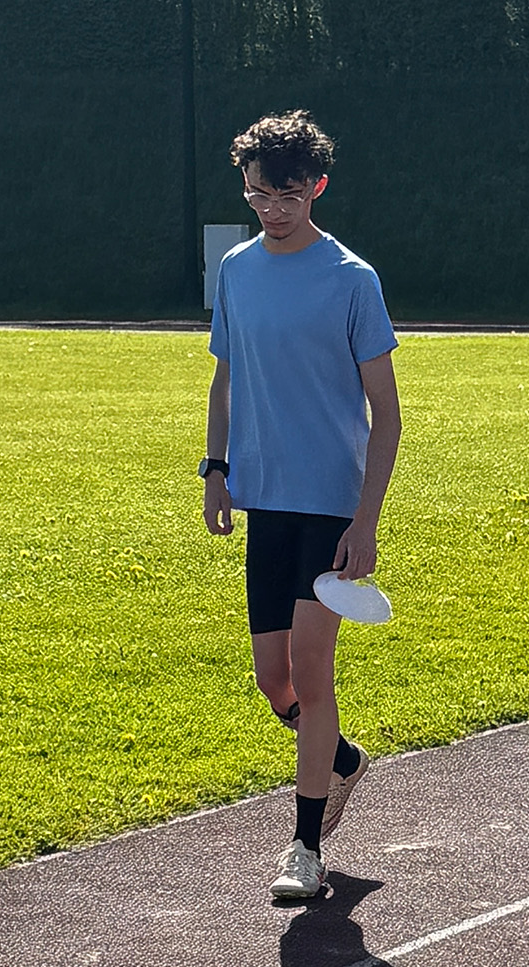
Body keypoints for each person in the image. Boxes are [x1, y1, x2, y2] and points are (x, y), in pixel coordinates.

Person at [203, 110, 402, 898]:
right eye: (257, 195)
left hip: (329, 507)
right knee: (273, 680)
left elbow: (386, 414)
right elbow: (224, 377)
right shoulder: (236, 271)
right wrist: (216, 467)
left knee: (312, 673)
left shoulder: (352, 279)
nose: (271, 210)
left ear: (316, 186)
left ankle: (305, 847)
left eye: (286, 196)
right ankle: (341, 758)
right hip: (265, 501)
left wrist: (366, 521)